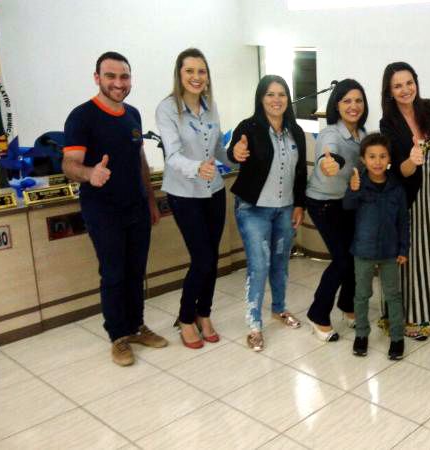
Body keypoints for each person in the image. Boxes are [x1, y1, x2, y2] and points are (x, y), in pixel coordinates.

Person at [63, 51, 167, 366]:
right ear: (97, 78)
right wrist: (90, 173)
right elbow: (69, 164)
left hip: (136, 207)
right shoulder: (82, 117)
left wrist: (150, 200)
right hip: (103, 210)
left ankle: (136, 326)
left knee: (136, 270)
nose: (118, 83)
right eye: (111, 76)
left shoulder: (132, 114)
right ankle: (118, 336)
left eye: (124, 76)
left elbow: (140, 159)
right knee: (113, 273)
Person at [156, 48, 234, 349]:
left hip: (214, 190)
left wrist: (236, 156)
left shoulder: (210, 106)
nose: (196, 77)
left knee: (211, 258)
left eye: (202, 71)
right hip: (184, 193)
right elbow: (172, 155)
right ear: (179, 74)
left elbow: (218, 150)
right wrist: (197, 168)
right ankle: (186, 317)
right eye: (189, 71)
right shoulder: (167, 109)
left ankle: (204, 314)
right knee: (201, 258)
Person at [226, 75, 307, 351]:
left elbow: (300, 172)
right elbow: (233, 152)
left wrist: (299, 204)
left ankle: (279, 309)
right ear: (261, 98)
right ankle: (254, 325)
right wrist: (236, 152)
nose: (276, 100)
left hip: (285, 209)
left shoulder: (295, 131)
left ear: (288, 99)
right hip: (254, 209)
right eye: (270, 94)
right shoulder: (248, 127)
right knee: (259, 265)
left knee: (281, 261)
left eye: (281, 94)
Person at [380, 61, 430, 339]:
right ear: (389, 91)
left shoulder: (428, 108)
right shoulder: (387, 123)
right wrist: (412, 159)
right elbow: (400, 170)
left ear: (416, 83)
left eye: (409, 83)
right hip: (409, 199)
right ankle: (412, 318)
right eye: (397, 86)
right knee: (411, 258)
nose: (405, 89)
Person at [305, 79, 369, 341]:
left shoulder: (362, 134)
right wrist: (328, 164)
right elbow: (329, 157)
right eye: (347, 101)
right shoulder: (331, 133)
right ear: (337, 105)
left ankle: (347, 305)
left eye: (358, 100)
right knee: (342, 260)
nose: (353, 106)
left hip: (347, 202)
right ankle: (317, 314)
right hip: (323, 202)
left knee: (354, 256)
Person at [343, 133, 409, 360]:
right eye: (372, 156)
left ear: (389, 158)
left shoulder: (397, 188)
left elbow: (403, 221)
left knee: (393, 295)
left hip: (390, 252)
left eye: (382, 156)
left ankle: (397, 337)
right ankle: (361, 334)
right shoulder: (358, 182)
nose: (378, 161)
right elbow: (347, 206)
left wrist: (403, 249)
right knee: (362, 295)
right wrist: (353, 189)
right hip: (363, 251)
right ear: (363, 159)